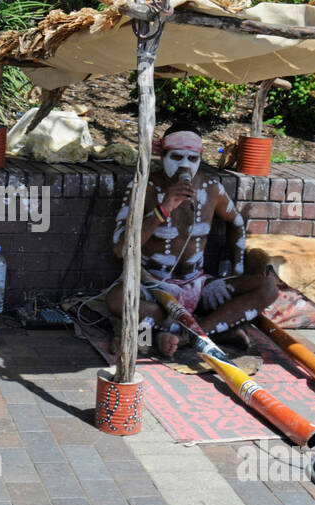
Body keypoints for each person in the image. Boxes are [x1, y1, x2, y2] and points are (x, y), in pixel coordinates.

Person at [106, 123, 277, 357]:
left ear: (200, 159)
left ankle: (182, 336)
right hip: (152, 286)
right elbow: (120, 249)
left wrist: (233, 271)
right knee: (117, 300)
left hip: (198, 284)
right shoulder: (142, 188)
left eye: (192, 158)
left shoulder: (211, 188)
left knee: (267, 289)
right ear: (162, 155)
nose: (184, 165)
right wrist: (164, 208)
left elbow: (236, 222)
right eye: (176, 157)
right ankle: (211, 330)